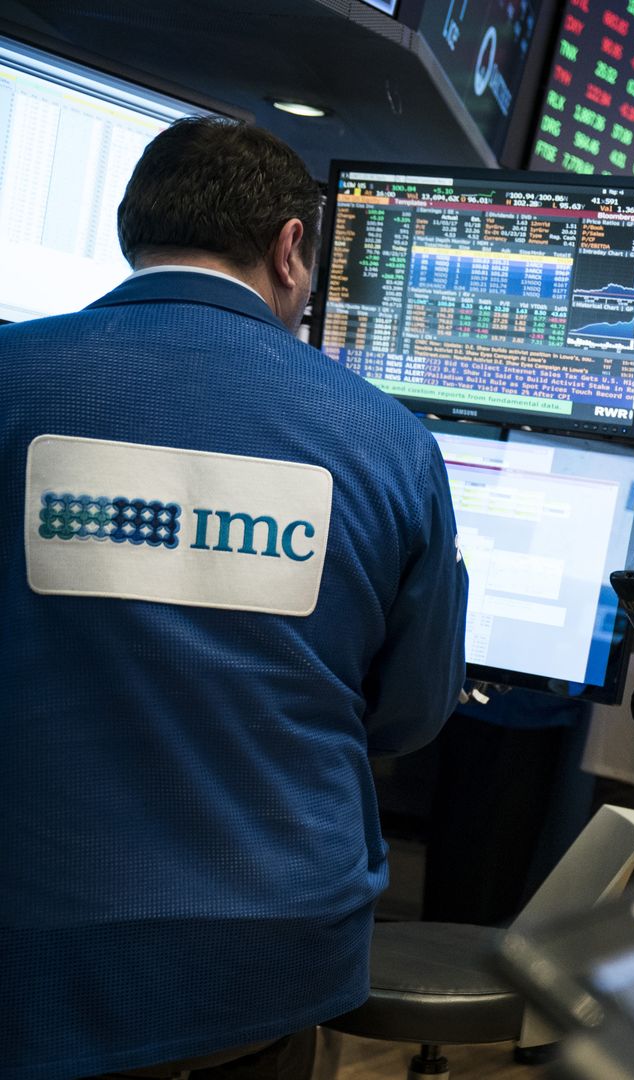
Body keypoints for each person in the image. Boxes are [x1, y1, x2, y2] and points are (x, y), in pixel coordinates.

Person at [0, 117, 466, 1078]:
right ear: (292, 248)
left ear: (132, 228)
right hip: (270, 958)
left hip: (31, 936)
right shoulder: (389, 442)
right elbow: (410, 713)